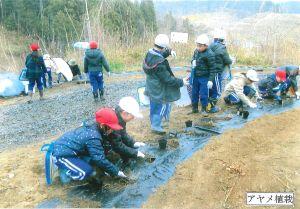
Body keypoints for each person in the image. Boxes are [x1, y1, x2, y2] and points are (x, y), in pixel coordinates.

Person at [51, 108, 127, 184]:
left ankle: (75, 165)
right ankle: (66, 172)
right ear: (102, 125)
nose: (112, 130)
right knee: (85, 173)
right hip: (62, 154)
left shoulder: (95, 126)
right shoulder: (93, 136)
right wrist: (116, 172)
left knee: (92, 161)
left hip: (72, 148)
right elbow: (99, 159)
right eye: (111, 128)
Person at [142, 34, 188, 134]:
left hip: (151, 85)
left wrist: (170, 52)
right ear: (163, 48)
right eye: (166, 48)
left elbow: (159, 54)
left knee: (154, 104)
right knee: (161, 105)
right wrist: (181, 82)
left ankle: (154, 121)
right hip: (159, 87)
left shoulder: (150, 54)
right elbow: (167, 79)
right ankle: (156, 126)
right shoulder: (160, 63)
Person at [107, 97, 146, 166]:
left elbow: (123, 134)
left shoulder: (119, 117)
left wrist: (133, 143)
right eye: (132, 116)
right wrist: (135, 153)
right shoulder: (113, 123)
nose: (133, 118)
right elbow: (117, 146)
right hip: (98, 147)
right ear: (125, 113)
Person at [190, 34, 217, 115]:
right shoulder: (196, 51)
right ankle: (194, 109)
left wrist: (210, 80)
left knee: (203, 94)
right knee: (194, 93)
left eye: (200, 46)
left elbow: (213, 69)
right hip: (196, 76)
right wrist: (192, 62)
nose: (198, 47)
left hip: (204, 77)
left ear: (206, 45)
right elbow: (193, 58)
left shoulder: (210, 54)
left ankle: (204, 109)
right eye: (197, 45)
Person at [208, 29, 232, 113]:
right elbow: (228, 61)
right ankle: (211, 108)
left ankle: (207, 105)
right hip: (216, 72)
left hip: (208, 72)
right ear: (222, 39)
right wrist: (231, 60)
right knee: (217, 91)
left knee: (210, 90)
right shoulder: (222, 48)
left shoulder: (209, 46)